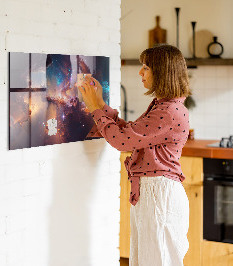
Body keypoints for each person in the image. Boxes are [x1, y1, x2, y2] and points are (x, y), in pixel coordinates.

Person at [79, 44, 191, 266]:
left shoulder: (168, 111)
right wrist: (100, 104)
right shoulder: (164, 106)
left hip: (159, 195)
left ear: (162, 72)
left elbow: (122, 141)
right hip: (154, 193)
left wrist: (94, 109)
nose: (140, 72)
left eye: (146, 67)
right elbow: (130, 133)